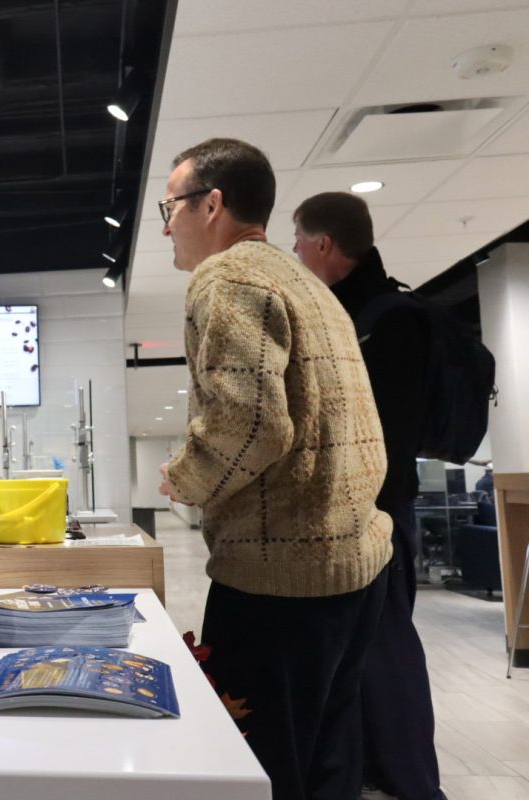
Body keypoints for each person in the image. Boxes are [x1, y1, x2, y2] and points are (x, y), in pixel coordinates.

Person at [156, 138, 393, 800]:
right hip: (353, 565)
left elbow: (251, 425)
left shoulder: (227, 277)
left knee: (263, 771)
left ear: (212, 204)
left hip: (281, 580)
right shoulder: (307, 286)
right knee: (327, 765)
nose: (165, 224)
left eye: (169, 206)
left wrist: (183, 477)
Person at [292, 191, 446, 800]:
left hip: (376, 511)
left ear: (325, 244)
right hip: (360, 510)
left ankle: (412, 783)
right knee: (355, 654)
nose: (296, 253)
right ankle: (364, 773)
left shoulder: (383, 321)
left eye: (300, 242)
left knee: (384, 649)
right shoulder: (356, 313)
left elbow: (374, 432)